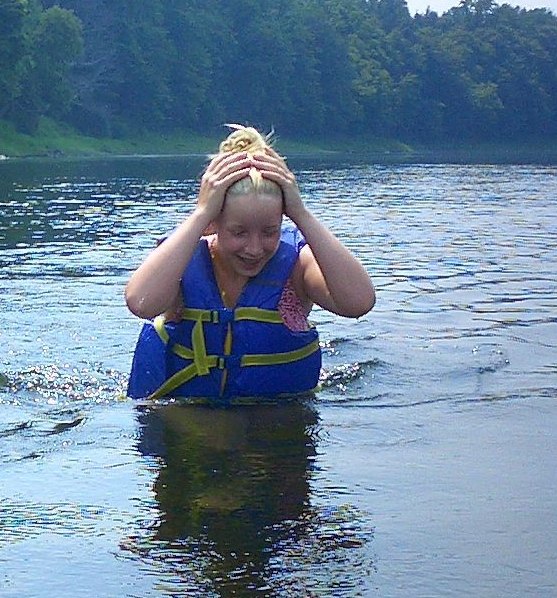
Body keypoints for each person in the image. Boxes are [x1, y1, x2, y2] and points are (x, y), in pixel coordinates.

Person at [124, 126, 374, 400]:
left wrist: (301, 213)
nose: (254, 249)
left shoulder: (297, 268)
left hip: (277, 429)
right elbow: (141, 302)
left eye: (269, 231)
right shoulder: (182, 261)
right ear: (214, 223)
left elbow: (358, 303)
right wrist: (201, 213)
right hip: (189, 427)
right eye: (238, 232)